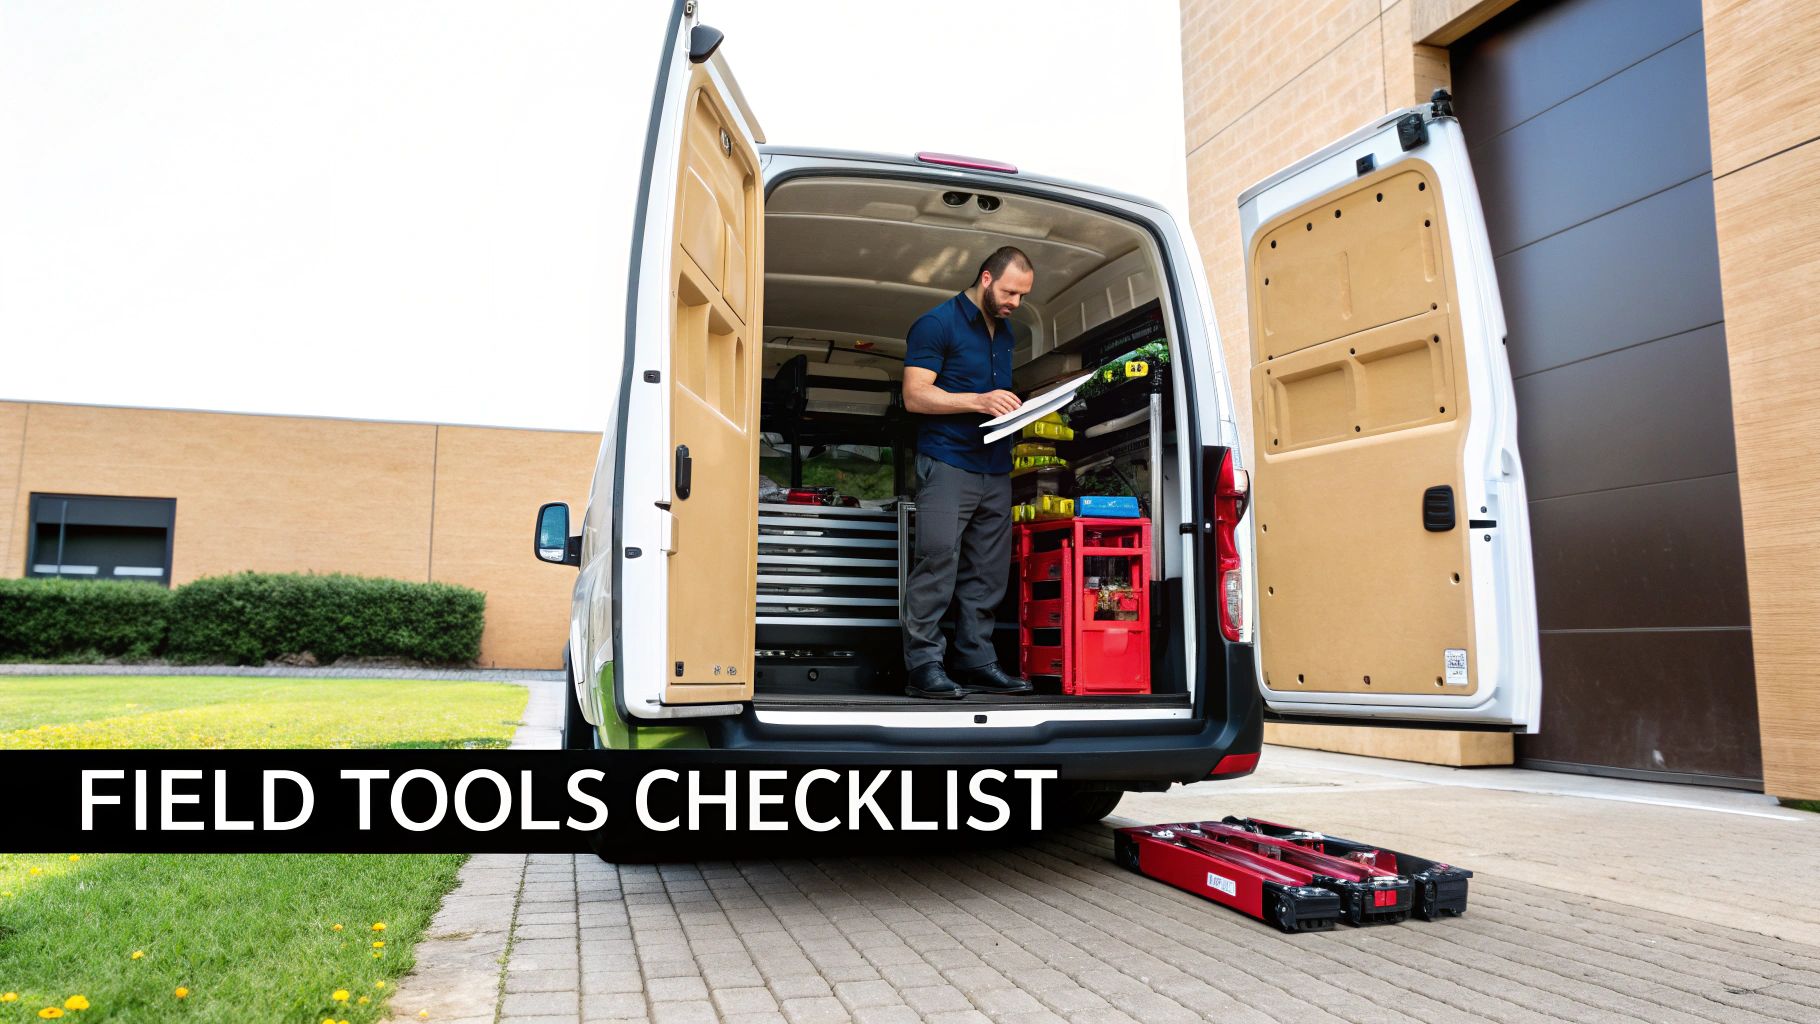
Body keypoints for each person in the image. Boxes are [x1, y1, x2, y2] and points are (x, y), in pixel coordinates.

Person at [899, 245, 1037, 699]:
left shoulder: (1008, 332)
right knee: (937, 564)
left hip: (995, 467)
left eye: (1022, 295)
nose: (1015, 302)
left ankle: (976, 660)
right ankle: (924, 666)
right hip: (947, 461)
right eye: (1010, 291)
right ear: (985, 278)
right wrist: (978, 400)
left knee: (988, 572)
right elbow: (916, 396)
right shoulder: (936, 323)